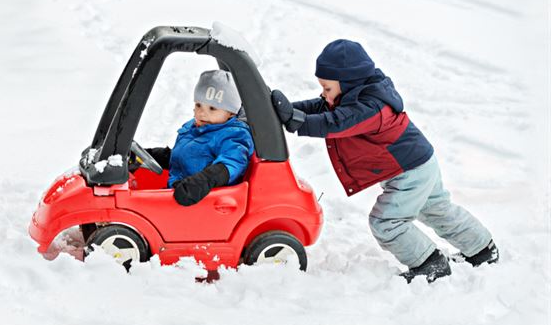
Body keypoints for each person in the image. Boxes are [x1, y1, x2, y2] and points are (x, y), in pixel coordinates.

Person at [270, 39, 498, 283]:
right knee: (437, 210)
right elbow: (321, 107)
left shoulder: (371, 107)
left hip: (411, 171)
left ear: (347, 83)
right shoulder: (354, 94)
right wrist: (289, 111)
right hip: (419, 163)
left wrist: (297, 121)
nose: (324, 95)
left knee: (386, 222)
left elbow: (335, 122)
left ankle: (429, 263)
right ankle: (482, 249)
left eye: (327, 89)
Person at [141, 69, 254, 206]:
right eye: (198, 105)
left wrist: (203, 181)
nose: (202, 113)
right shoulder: (195, 127)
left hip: (203, 203)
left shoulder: (233, 135)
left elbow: (231, 163)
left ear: (231, 112)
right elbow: (187, 157)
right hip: (177, 193)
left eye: (212, 108)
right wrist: (151, 155)